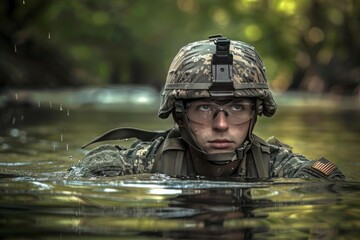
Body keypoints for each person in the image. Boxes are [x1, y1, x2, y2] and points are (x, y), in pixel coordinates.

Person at [67, 35, 345, 180]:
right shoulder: (144, 162)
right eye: (203, 108)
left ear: (255, 113)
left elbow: (330, 189)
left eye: (237, 108)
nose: (221, 125)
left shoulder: (277, 166)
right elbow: (83, 178)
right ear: (180, 115)